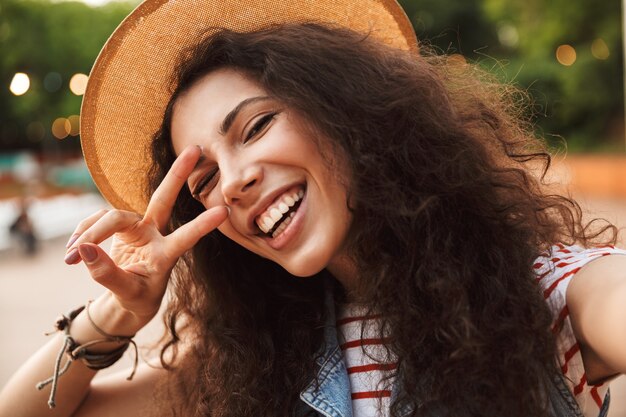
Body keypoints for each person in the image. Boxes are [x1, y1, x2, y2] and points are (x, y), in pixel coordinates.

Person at [1, 1, 625, 416]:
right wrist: (112, 316)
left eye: (256, 126)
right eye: (206, 178)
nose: (234, 182)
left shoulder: (546, 296)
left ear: (348, 114)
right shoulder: (253, 361)